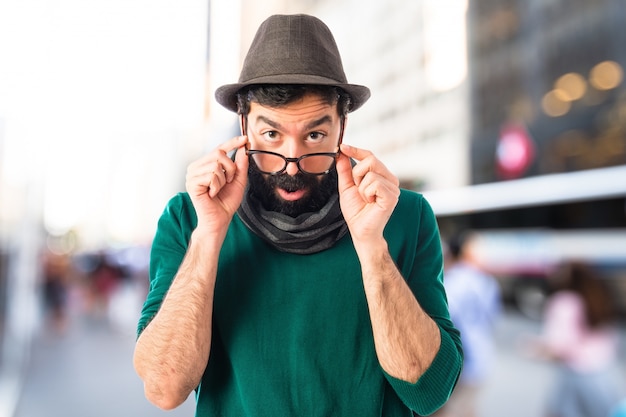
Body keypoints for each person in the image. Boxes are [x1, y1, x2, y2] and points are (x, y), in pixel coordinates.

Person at [133, 14, 462, 417]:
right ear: (243, 126)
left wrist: (373, 247)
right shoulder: (189, 217)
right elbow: (165, 388)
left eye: (314, 136)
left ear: (342, 129)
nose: (292, 165)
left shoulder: (404, 214)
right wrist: (209, 236)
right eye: (271, 135)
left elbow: (428, 390)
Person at [528, 261, 625, 417]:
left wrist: (534, 348)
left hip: (575, 375)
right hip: (603, 374)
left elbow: (558, 346)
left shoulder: (564, 301)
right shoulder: (599, 297)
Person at [434, 232, 501, 417]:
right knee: (467, 408)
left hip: (458, 363)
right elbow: (492, 319)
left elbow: (444, 323)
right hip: (482, 358)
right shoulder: (487, 282)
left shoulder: (448, 281)